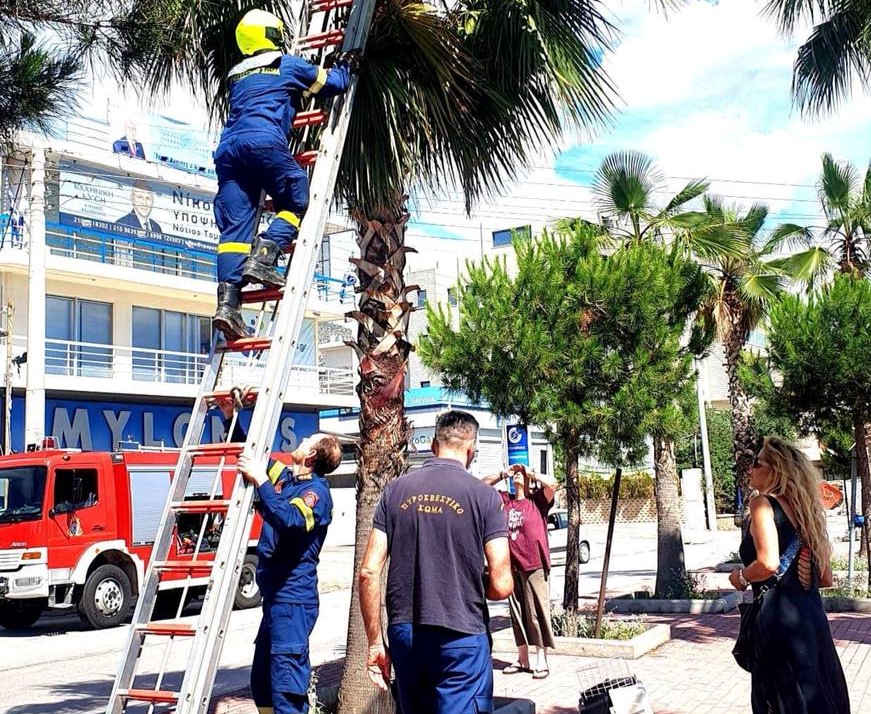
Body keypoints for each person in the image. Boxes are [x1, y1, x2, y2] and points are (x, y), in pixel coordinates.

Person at [211, 8, 360, 340]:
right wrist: (346, 65)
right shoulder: (287, 64)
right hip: (263, 142)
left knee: (233, 231)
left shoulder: (237, 73)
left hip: (228, 151)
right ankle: (266, 254)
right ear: (272, 35)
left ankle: (228, 307)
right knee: (295, 199)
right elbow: (331, 84)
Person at [359, 410, 513, 714]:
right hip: (461, 634)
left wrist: (376, 643)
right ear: (471, 450)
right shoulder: (484, 497)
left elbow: (368, 572)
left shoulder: (395, 491)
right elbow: (502, 582)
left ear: (433, 444)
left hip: (406, 633)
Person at [225, 395, 343, 714]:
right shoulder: (288, 480)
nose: (301, 439)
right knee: (262, 683)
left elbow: (291, 520)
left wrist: (262, 481)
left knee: (286, 690)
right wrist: (232, 416)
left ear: (312, 455)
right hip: (276, 600)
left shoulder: (315, 494)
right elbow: (253, 458)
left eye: (308, 440)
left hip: (293, 603)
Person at [729, 436, 850, 713]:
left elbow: (768, 563)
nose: (750, 469)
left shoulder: (762, 504)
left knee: (779, 702)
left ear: (775, 469)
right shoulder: (807, 513)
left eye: (756, 463)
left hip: (777, 620)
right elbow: (826, 578)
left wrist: (742, 577)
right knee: (816, 697)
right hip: (811, 619)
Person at [481, 463, 557, 679]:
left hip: (534, 565)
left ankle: (541, 659)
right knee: (517, 613)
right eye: (515, 474)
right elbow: (480, 487)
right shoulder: (505, 501)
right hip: (510, 566)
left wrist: (531, 472)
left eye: (520, 474)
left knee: (537, 612)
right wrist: (501, 473)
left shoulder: (537, 501)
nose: (517, 476)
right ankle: (522, 658)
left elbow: (553, 483)